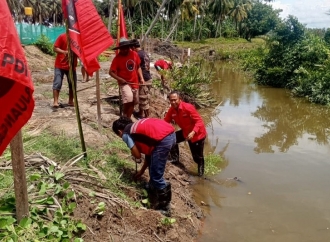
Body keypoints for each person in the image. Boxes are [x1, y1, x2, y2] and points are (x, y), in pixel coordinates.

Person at [112, 116, 176, 216]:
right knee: (153, 165)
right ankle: (153, 187)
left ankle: (165, 207)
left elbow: (137, 155)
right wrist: (141, 171)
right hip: (171, 135)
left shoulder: (125, 134)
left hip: (163, 140)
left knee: (156, 176)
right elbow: (149, 155)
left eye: (119, 135)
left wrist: (135, 155)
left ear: (119, 132)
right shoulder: (136, 127)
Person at [164, 90, 207, 176]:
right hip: (186, 132)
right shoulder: (172, 110)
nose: (173, 102)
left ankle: (201, 175)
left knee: (197, 157)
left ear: (180, 99)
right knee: (172, 139)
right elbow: (165, 122)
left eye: (175, 100)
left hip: (198, 134)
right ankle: (175, 159)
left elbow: (199, 121)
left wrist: (193, 132)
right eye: (171, 100)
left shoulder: (188, 107)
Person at [109, 38, 145, 118]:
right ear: (120, 49)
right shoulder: (117, 59)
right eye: (122, 49)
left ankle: (128, 117)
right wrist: (119, 79)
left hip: (134, 82)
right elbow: (111, 72)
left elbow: (138, 67)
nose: (124, 50)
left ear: (129, 47)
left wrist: (141, 78)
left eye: (126, 48)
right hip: (124, 82)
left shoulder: (134, 54)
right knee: (129, 98)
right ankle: (125, 116)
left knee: (134, 101)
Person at [52, 33, 77, 108]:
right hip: (60, 65)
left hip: (71, 66)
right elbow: (55, 48)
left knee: (72, 84)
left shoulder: (77, 38)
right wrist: (64, 52)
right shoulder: (62, 36)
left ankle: (70, 101)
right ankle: (55, 102)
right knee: (58, 82)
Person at [131, 39, 152, 119]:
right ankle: (140, 113)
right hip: (147, 77)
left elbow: (137, 67)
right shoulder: (144, 53)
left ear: (133, 47)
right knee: (142, 97)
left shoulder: (137, 55)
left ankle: (147, 117)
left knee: (143, 99)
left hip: (144, 79)